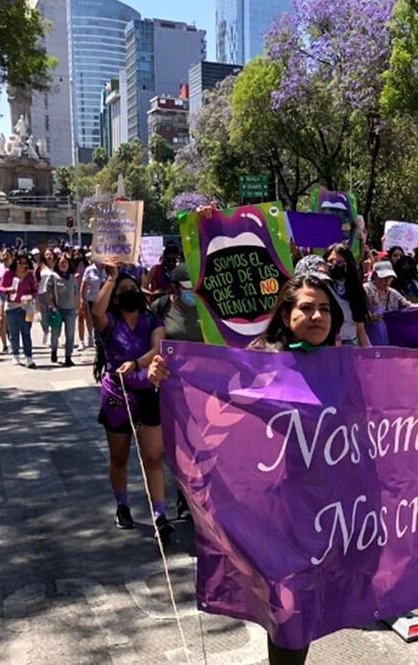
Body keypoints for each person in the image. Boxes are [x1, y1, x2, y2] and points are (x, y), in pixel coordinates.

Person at [149, 272, 347, 665]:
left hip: (328, 508)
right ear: (287, 314)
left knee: (307, 608)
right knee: (288, 609)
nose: (318, 316)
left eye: (325, 309)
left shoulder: (343, 364)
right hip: (274, 510)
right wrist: (168, 380)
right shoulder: (260, 359)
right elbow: (214, 404)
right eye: (307, 308)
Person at [91, 259, 172, 542]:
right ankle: (122, 505)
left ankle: (160, 515)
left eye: (132, 288)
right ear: (115, 297)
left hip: (148, 389)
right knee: (120, 456)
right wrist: (111, 278)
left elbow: (158, 348)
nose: (129, 293)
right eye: (122, 290)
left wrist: (137, 365)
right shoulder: (108, 322)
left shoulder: (153, 320)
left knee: (152, 456)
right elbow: (95, 310)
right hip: (117, 394)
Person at [150, 261, 204, 520]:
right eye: (187, 288)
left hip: (204, 389)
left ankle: (199, 496)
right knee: (181, 447)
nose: (192, 293)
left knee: (201, 446)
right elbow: (150, 345)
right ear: (174, 288)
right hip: (173, 390)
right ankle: (184, 495)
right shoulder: (160, 309)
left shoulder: (206, 307)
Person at [318, 244, 370, 347]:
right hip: (327, 344)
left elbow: (360, 329)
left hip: (350, 344)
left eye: (340, 262)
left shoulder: (355, 290)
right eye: (330, 261)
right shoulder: (321, 287)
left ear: (348, 265)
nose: (334, 264)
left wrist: (366, 357)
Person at [0, 254, 38, 368]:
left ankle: (29, 357)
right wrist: (7, 290)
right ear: (15, 263)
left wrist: (30, 296)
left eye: (25, 262)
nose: (22, 265)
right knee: (13, 333)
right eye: (20, 262)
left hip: (28, 307)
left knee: (26, 332)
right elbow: (0, 287)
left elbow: (35, 290)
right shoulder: (8, 273)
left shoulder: (30, 275)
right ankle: (15, 355)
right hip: (11, 306)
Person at [45, 252, 81, 366]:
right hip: (58, 310)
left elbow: (77, 293)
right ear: (58, 264)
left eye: (65, 262)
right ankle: (54, 351)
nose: (63, 265)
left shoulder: (72, 278)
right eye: (61, 263)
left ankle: (68, 357)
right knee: (55, 334)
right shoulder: (53, 277)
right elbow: (47, 292)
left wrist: (78, 306)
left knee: (70, 335)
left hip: (70, 310)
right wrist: (52, 306)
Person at [82, 255, 105, 349]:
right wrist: (82, 299)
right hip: (93, 300)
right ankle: (98, 341)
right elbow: (84, 286)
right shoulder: (89, 270)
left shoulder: (108, 269)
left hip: (105, 300)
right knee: (95, 321)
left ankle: (103, 340)